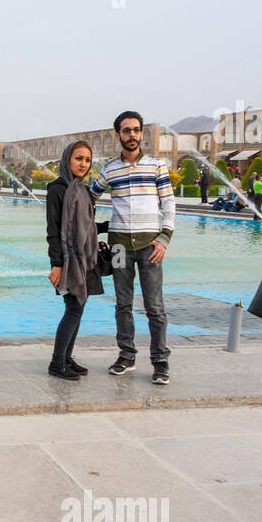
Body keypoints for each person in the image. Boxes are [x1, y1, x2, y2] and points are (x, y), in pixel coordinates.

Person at [89, 111, 174, 385]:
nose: (133, 135)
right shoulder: (109, 169)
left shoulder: (156, 166)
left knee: (154, 306)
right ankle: (126, 356)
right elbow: (89, 197)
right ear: (118, 135)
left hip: (150, 247)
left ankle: (160, 362)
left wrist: (164, 237)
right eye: (127, 131)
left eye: (137, 130)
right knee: (123, 304)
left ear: (142, 133)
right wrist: (92, 229)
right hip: (118, 248)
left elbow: (169, 203)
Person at [45, 141, 108, 379]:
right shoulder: (58, 189)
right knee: (73, 308)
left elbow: (86, 227)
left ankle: (66, 358)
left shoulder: (82, 189)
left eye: (87, 160)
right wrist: (57, 264)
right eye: (78, 158)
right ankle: (56, 363)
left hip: (85, 257)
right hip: (69, 259)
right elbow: (54, 229)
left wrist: (107, 227)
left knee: (78, 309)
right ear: (67, 159)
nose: (83, 164)